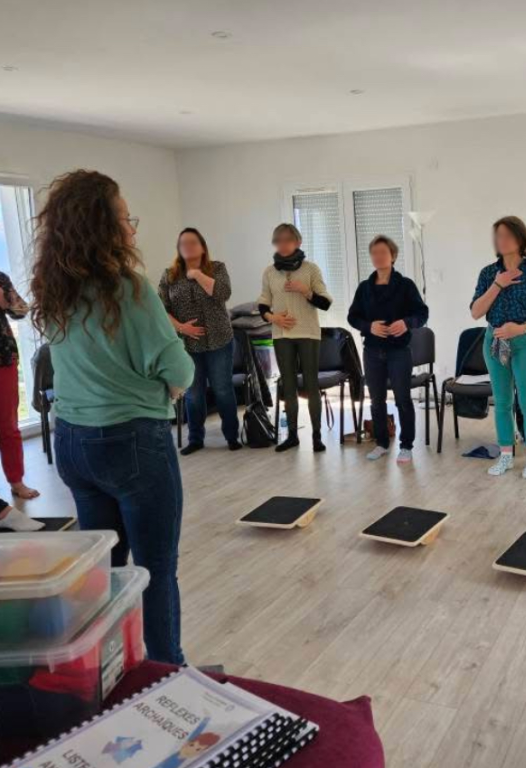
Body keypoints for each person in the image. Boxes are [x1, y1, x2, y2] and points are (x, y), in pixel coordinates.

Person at [30, 169, 194, 664]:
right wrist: (163, 381)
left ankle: (101, 670)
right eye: (124, 218)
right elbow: (179, 370)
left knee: (103, 572)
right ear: (102, 226)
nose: (131, 228)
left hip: (72, 444)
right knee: (155, 569)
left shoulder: (53, 291)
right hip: (133, 444)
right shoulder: (132, 290)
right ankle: (166, 674)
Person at [470, 216, 526, 479]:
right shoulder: (488, 273)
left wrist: (520, 329)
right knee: (502, 402)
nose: (502, 240)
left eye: (508, 235)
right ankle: (506, 456)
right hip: (495, 341)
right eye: (498, 235)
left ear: (521, 239)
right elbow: (476, 312)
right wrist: (498, 284)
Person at [348, 235, 428, 463]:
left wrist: (406, 323)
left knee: (403, 399)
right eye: (374, 253)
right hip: (372, 351)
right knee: (376, 400)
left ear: (392, 256)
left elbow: (422, 313)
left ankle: (406, 445)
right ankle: (381, 443)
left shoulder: (405, 285)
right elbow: (353, 317)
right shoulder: (364, 288)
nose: (378, 257)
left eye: (383, 252)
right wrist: (369, 326)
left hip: (398, 351)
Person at [159, 228, 240, 455]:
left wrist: (196, 274)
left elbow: (223, 293)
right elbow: (161, 308)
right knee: (194, 393)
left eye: (192, 242)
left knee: (222, 390)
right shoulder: (169, 275)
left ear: (202, 247)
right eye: (183, 243)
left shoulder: (217, 268)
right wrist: (181, 327)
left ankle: (232, 436)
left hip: (219, 340)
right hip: (188, 344)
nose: (187, 246)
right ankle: (195, 439)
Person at [257, 223, 333, 453]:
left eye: (287, 240)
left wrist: (305, 290)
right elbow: (263, 303)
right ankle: (292, 435)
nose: (283, 244)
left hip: (308, 333)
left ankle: (317, 436)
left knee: (311, 384)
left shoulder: (311, 269)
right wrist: (273, 318)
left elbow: (325, 302)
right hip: (281, 335)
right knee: (288, 385)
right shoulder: (269, 272)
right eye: (278, 240)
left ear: (298, 241)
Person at [0, 270, 40, 501]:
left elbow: (22, 311)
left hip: (3, 360)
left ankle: (16, 481)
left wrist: (7, 300)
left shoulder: (1, 278)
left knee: (8, 425)